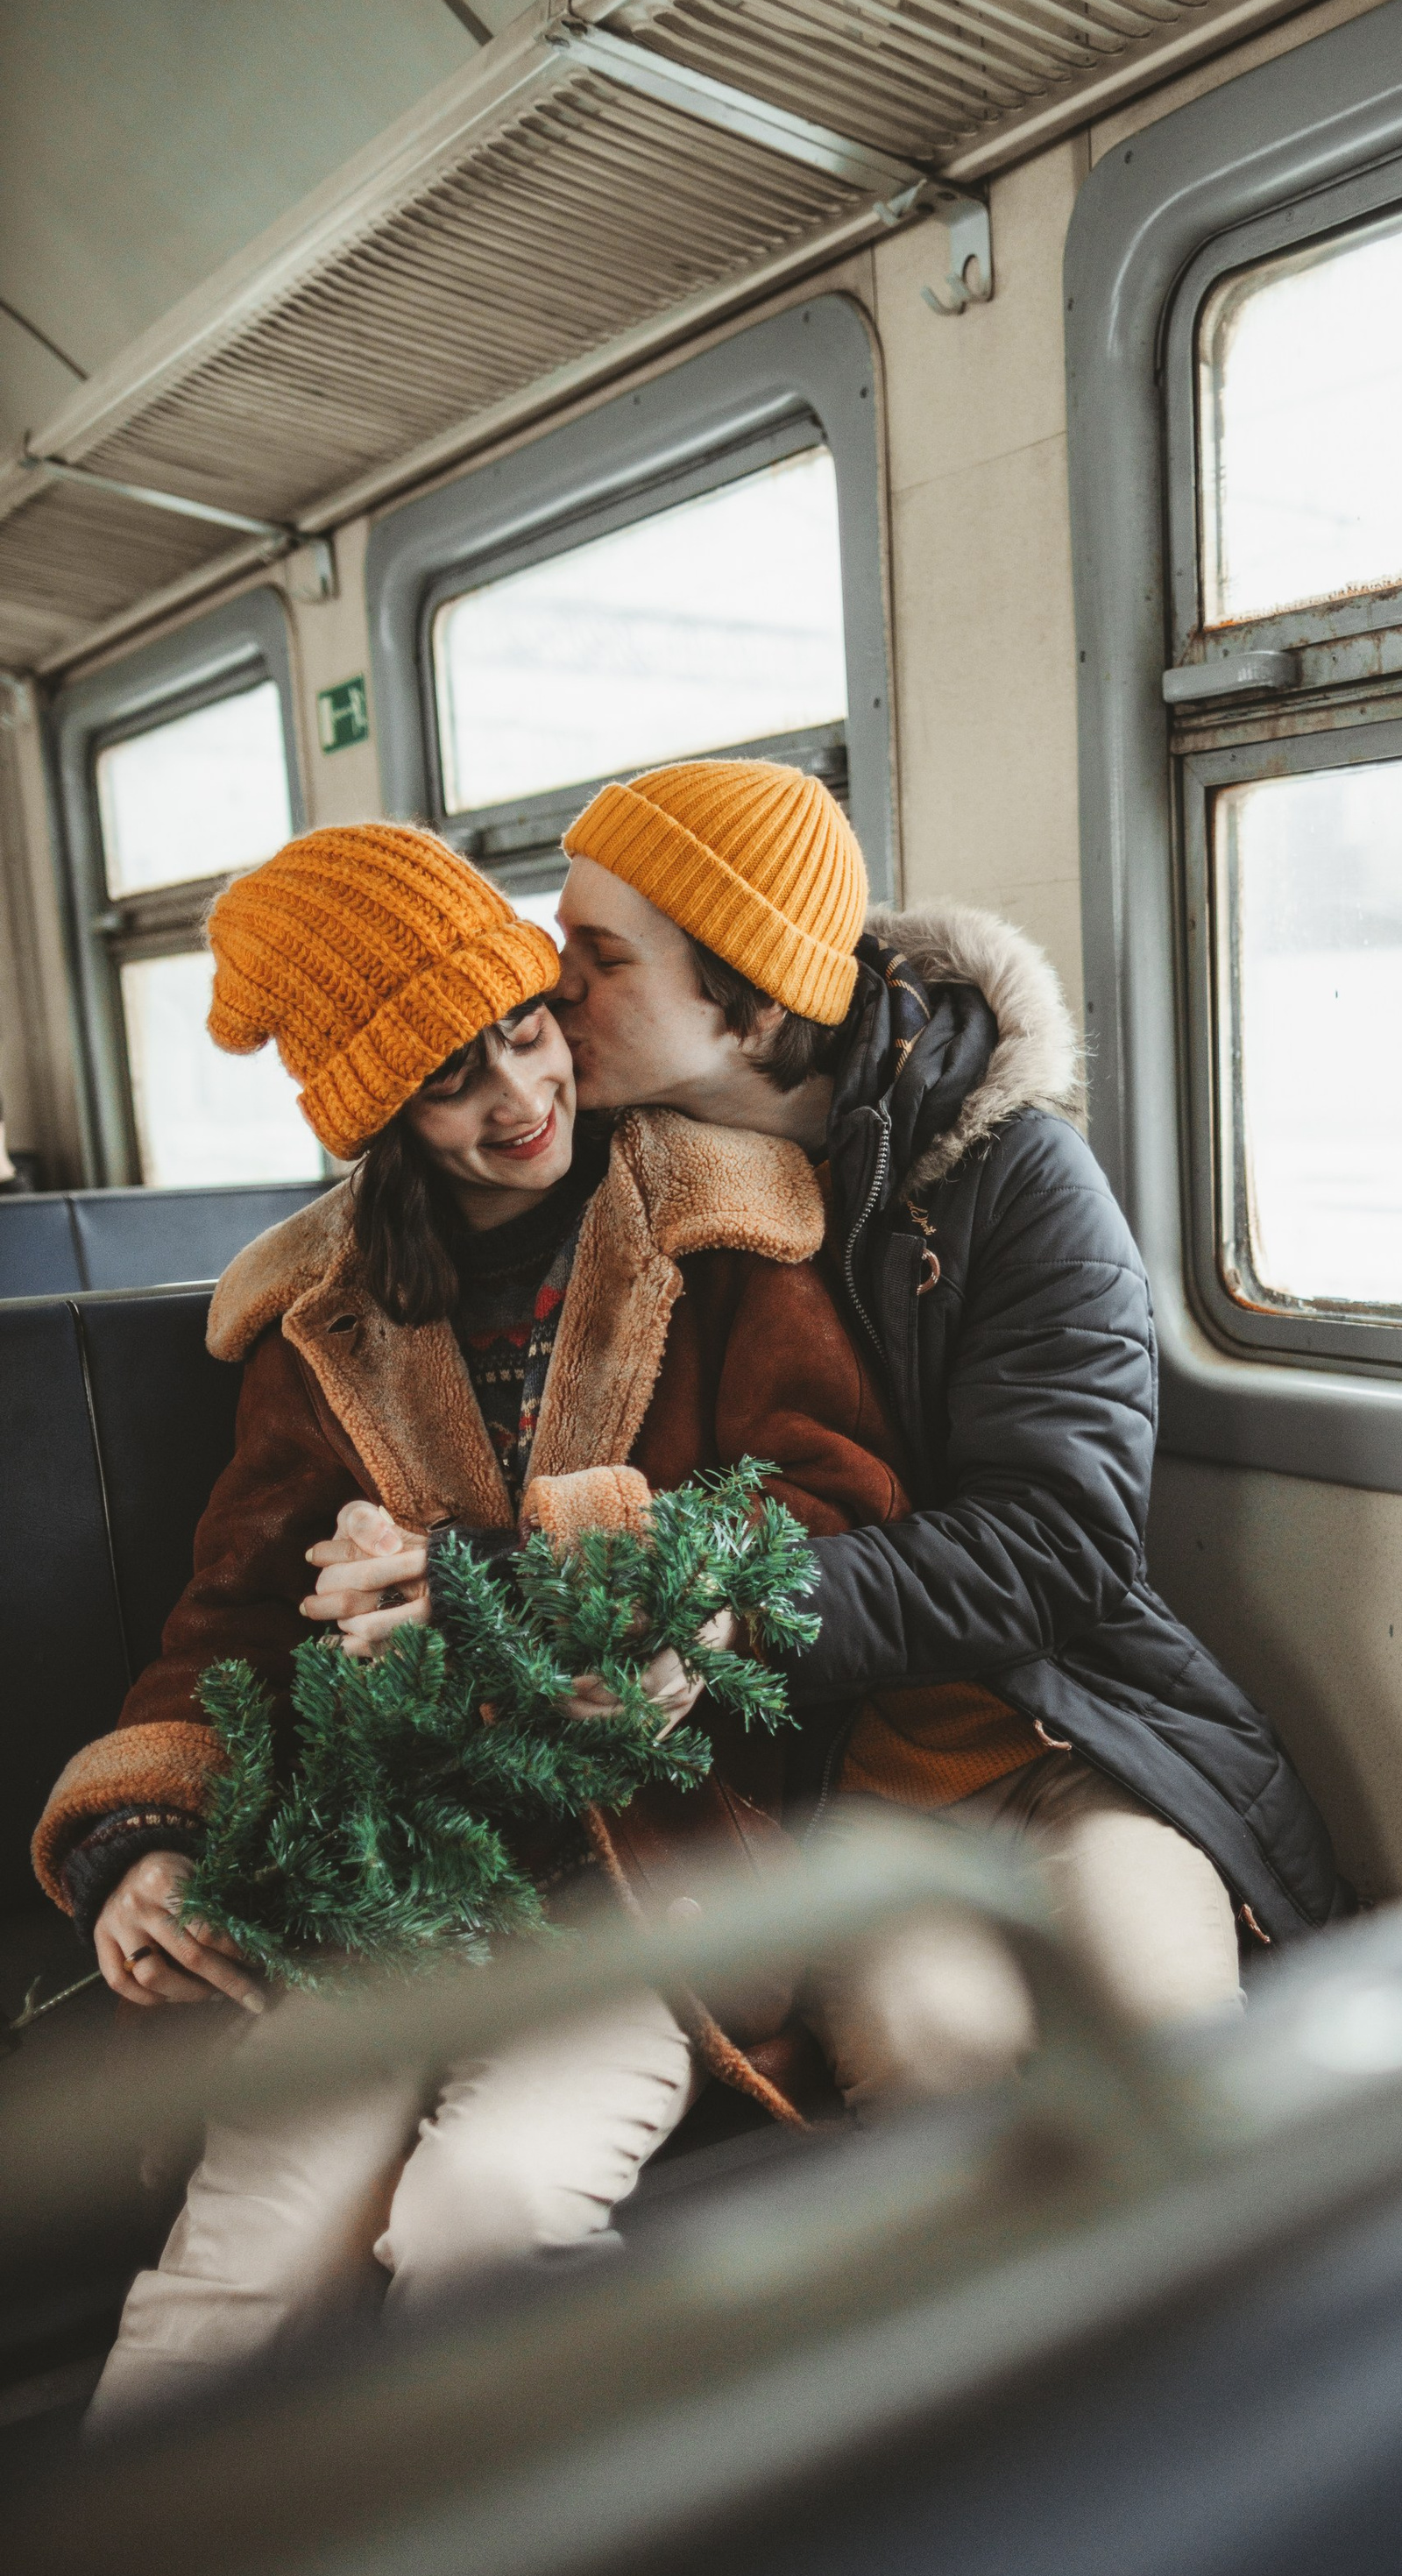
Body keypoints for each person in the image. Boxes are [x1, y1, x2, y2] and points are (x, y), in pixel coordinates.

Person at [32, 821, 907, 2424]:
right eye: (454, 1080)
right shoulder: (321, 1324)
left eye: (527, 1027)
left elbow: (832, 1517)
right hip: (390, 1868)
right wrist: (138, 1839)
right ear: (385, 1118)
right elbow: (234, 1615)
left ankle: (511, 2553)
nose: (522, 1095)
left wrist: (515, 1573)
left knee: (483, 2214)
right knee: (249, 2264)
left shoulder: (724, 1229)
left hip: (645, 1870)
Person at [550, 761, 1348, 2113]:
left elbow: (1061, 1540)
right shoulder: (614, 1197)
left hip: (1072, 1740)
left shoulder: (1012, 1176)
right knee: (936, 2063)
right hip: (841, 1797)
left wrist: (742, 1605)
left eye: (602, 956)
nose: (552, 987)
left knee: (1171, 2051)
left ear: (751, 1001)